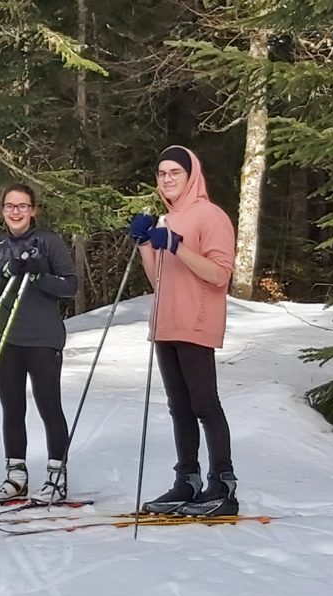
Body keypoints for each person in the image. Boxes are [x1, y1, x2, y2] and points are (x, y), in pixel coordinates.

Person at [130, 146, 237, 516]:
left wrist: (176, 245)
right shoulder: (166, 218)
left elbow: (219, 275)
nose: (167, 179)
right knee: (179, 408)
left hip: (197, 320)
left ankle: (222, 483)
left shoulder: (211, 216)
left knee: (204, 403)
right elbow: (158, 278)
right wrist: (146, 243)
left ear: (191, 175)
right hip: (166, 321)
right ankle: (186, 481)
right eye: (161, 173)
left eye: (175, 172)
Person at [0, 184, 79, 504]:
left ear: (33, 210)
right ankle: (16, 476)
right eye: (10, 206)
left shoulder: (49, 242)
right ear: (2, 210)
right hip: (7, 338)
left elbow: (70, 286)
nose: (16, 212)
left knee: (48, 406)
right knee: (12, 407)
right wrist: (7, 271)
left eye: (22, 206)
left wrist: (38, 275)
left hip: (43, 338)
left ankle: (56, 476)